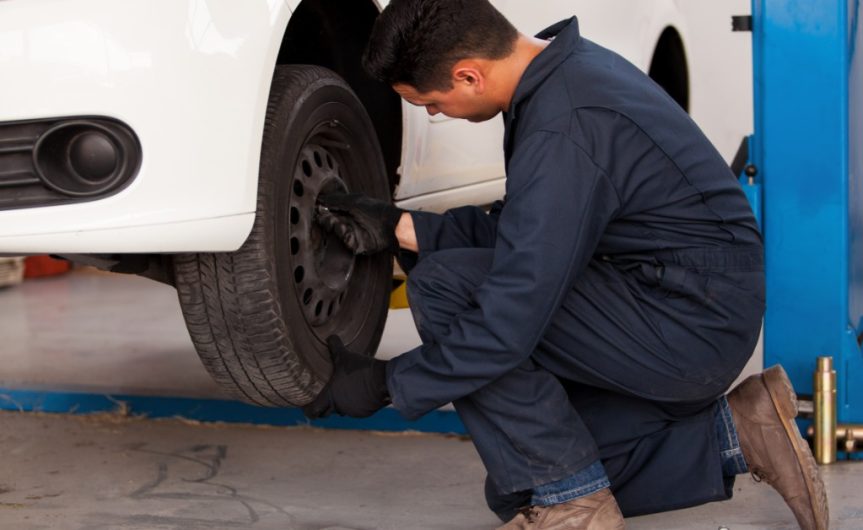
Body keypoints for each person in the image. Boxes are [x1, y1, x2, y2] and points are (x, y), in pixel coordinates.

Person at [303, 1, 829, 529]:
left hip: (688, 320)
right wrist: (398, 225)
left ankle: (575, 505)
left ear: (468, 74)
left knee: (447, 287)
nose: (436, 116)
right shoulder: (563, 76)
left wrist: (388, 383)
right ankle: (737, 432)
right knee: (519, 487)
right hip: (682, 302)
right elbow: (536, 231)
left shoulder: (565, 125)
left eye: (432, 104)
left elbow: (510, 320)